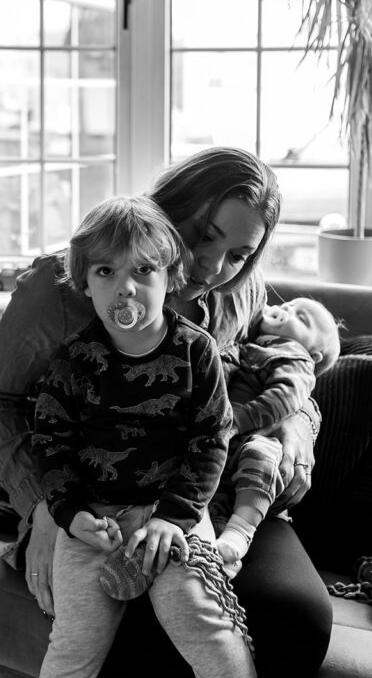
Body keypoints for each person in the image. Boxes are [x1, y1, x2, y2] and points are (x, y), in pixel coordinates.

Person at [0, 146, 333, 677]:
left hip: (204, 491)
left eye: (239, 253)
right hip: (85, 493)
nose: (214, 266)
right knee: (115, 624)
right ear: (166, 205)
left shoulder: (240, 290)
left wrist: (300, 426)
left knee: (299, 615)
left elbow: (287, 365)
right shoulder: (61, 286)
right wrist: (45, 508)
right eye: (205, 234)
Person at [32, 194, 252, 677]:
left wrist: (175, 517)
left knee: (202, 622)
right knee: (72, 643)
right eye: (106, 272)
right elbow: (50, 443)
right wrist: (70, 515)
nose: (124, 289)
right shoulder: (74, 358)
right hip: (92, 520)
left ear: (171, 277)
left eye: (143, 271)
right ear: (85, 282)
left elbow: (212, 440)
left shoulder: (197, 352)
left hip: (171, 514)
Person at [213, 297, 341, 567]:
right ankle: (222, 554)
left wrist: (236, 421)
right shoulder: (253, 341)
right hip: (222, 440)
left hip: (251, 437)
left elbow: (285, 397)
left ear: (313, 354)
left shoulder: (294, 356)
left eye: (301, 318)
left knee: (262, 454)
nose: (286, 310)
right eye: (288, 305)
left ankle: (240, 531)